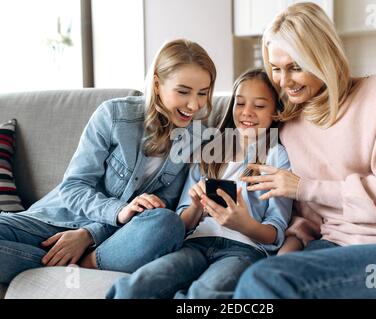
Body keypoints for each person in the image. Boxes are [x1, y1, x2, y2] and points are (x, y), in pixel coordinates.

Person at [234, 3, 376, 298]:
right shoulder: (290, 127)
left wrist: (307, 187)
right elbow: (310, 218)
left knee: (266, 282)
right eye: (276, 69)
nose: (284, 82)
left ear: (323, 57)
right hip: (337, 246)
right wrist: (286, 255)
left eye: (295, 67)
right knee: (262, 278)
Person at [0, 39, 217, 284]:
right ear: (157, 84)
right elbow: (74, 187)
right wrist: (114, 212)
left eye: (203, 93)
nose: (194, 105)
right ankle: (63, 270)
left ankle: (82, 265)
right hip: (54, 221)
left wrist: (89, 235)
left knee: (167, 225)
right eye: (183, 91)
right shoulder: (114, 115)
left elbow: (161, 210)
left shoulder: (196, 137)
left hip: (115, 240)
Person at [106, 68, 293, 299]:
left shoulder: (277, 156)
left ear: (275, 112)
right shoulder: (210, 151)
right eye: (240, 103)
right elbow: (183, 221)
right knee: (135, 287)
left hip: (242, 249)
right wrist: (195, 205)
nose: (247, 112)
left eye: (260, 106)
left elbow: (276, 231)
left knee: (204, 294)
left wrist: (244, 224)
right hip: (196, 243)